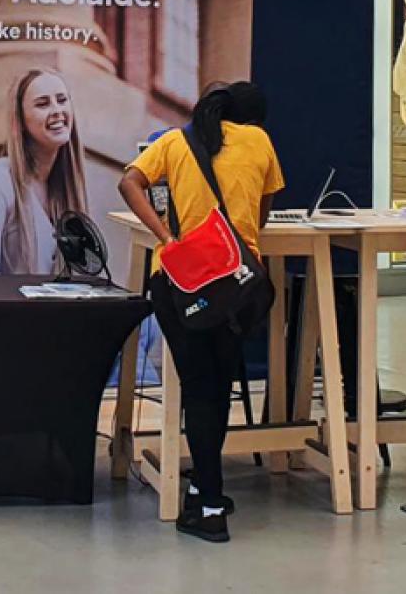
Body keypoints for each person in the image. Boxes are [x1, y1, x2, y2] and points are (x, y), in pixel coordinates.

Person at [118, 81, 284, 543]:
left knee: (197, 388)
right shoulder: (260, 142)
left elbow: (128, 181)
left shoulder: (173, 141)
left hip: (180, 283)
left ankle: (208, 501)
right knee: (219, 385)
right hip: (239, 287)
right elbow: (264, 207)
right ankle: (209, 491)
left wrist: (166, 238)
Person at [0, 68, 88, 275]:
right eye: (42, 104)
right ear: (20, 121)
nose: (57, 110)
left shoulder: (66, 188)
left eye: (62, 100)